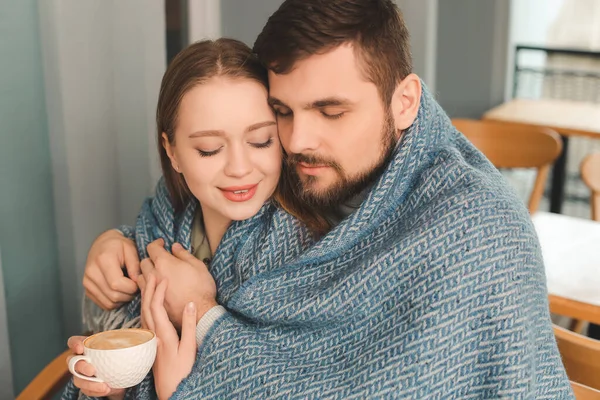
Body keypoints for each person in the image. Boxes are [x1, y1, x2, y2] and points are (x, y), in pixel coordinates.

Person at [69, 0, 574, 399]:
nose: (297, 141)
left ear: (405, 102)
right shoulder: (292, 184)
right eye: (283, 112)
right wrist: (115, 245)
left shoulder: (474, 233)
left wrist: (202, 315)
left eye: (330, 111)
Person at [62, 37, 317, 400]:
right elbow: (112, 334)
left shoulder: (311, 250)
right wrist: (114, 389)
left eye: (261, 140)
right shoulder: (158, 224)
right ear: (172, 152)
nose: (240, 168)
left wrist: (180, 391)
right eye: (209, 149)